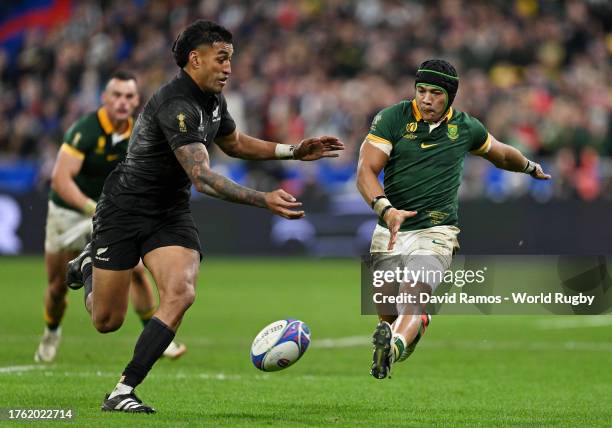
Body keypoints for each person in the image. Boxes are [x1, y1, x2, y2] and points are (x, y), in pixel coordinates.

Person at [66, 20, 344, 413]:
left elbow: (233, 142)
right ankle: (91, 263)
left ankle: (122, 390)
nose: (229, 67)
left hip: (169, 212)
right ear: (195, 60)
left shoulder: (212, 99)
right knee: (106, 320)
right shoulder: (177, 105)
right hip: (124, 209)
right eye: (222, 58)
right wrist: (263, 199)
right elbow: (202, 177)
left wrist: (293, 151)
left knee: (182, 292)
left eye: (231, 58)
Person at [357, 59, 550, 379]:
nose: (426, 99)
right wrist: (385, 209)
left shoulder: (465, 127)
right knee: (387, 317)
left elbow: (500, 153)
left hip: (437, 229)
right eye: (420, 91)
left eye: (435, 93)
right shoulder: (392, 118)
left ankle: (390, 349)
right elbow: (365, 169)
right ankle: (399, 338)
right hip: (390, 227)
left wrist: (529, 166)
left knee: (413, 297)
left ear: (450, 96)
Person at [36, 71, 186, 363]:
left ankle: (158, 339)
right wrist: (93, 208)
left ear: (136, 101)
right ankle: (51, 331)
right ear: (104, 99)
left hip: (111, 214)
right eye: (116, 95)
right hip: (69, 213)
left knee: (137, 271)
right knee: (57, 287)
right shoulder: (86, 130)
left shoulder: (140, 132)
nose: (122, 102)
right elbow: (61, 179)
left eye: (128, 96)